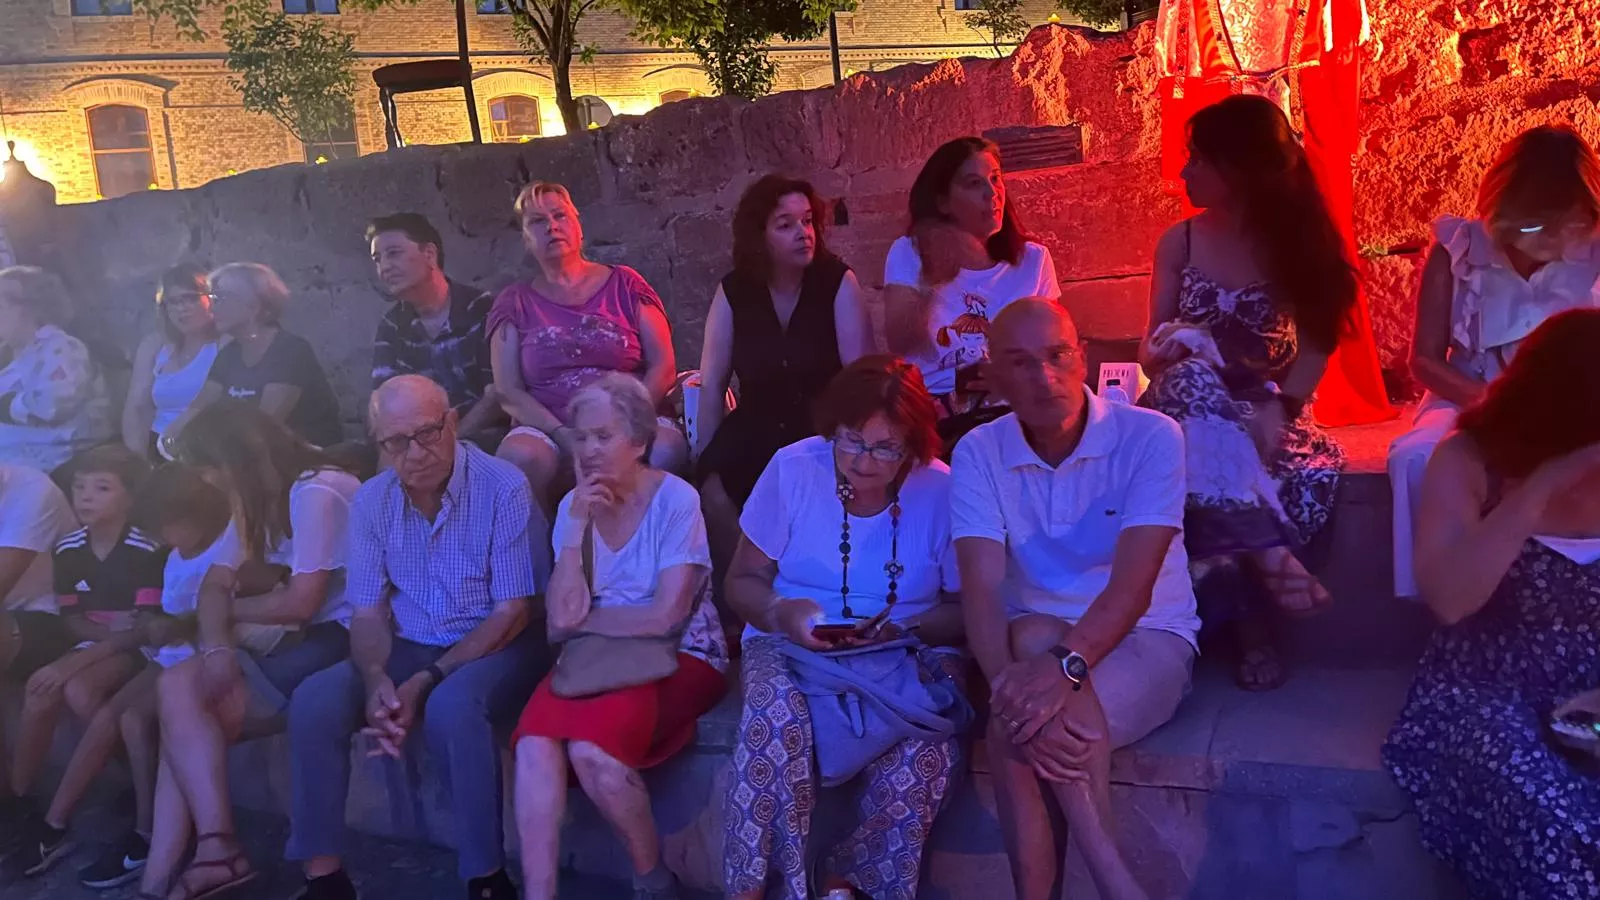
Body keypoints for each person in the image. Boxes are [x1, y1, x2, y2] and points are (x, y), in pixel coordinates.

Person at [953, 299, 1198, 900]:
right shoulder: (979, 452)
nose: (1044, 377)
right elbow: (981, 590)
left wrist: (1049, 679)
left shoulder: (1150, 437)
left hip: (1147, 637)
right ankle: (1116, 882)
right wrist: (1011, 686)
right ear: (996, 376)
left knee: (1023, 721)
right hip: (1029, 642)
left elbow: (1133, 589)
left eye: (1057, 356)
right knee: (1031, 658)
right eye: (1021, 363)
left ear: (1082, 356)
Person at [285, 375, 543, 900]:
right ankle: (324, 877)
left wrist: (425, 680)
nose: (415, 452)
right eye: (395, 442)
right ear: (379, 444)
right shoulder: (372, 500)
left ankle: (486, 878)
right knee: (315, 700)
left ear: (452, 423)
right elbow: (366, 610)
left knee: (452, 707)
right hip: (411, 640)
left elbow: (513, 611)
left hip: (497, 640)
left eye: (426, 433)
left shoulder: (504, 487)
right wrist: (377, 676)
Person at [722, 355, 968, 900]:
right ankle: (755, 888)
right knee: (773, 721)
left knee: (930, 749)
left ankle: (848, 884)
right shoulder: (792, 468)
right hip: (789, 638)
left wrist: (907, 630)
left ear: (914, 445)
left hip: (906, 646)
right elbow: (741, 580)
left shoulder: (942, 489)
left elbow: (962, 608)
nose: (863, 461)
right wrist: (776, 614)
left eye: (886, 447)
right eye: (851, 440)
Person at [1138, 94, 1356, 691]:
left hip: (1265, 406)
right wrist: (1163, 351)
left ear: (1238, 169)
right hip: (1184, 400)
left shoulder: (1301, 241)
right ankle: (1263, 581)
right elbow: (1148, 355)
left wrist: (1279, 411)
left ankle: (1247, 597)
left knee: (1220, 468)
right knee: (1188, 387)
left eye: (1197, 160)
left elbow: (1315, 348)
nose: (1184, 173)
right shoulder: (1177, 243)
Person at [1383, 308, 1600, 897]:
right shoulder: (1471, 460)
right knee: (1547, 812)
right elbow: (1450, 600)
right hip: (1488, 681)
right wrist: (1539, 489)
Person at [514, 372, 728, 900]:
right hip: (599, 657)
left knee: (593, 754)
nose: (588, 450)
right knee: (534, 745)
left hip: (683, 656)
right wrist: (577, 529)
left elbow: (666, 617)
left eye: (603, 437)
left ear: (638, 441)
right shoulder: (572, 507)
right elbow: (560, 618)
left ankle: (652, 878)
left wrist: (584, 622)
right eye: (580, 437)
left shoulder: (675, 501)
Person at [133, 401, 358, 900]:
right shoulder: (254, 499)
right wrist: (216, 650)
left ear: (236, 460)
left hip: (344, 635)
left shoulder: (315, 491)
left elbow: (302, 604)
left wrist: (234, 612)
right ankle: (203, 857)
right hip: (295, 636)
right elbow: (215, 587)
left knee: (184, 723)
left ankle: (203, 861)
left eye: (210, 471)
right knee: (179, 693)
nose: (208, 484)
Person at [1388, 126, 1600, 599]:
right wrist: (1497, 406)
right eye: (1532, 225)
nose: (1546, 239)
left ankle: (1565, 595)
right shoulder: (1457, 250)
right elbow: (1423, 360)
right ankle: (1434, 592)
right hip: (1468, 392)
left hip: (1572, 404)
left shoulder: (1594, 253)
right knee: (1415, 456)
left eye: (1565, 225)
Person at [694, 175, 869, 582]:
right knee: (714, 486)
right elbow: (712, 381)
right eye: (786, 224)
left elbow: (862, 378)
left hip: (822, 420)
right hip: (757, 419)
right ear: (760, 234)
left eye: (807, 221)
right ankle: (752, 588)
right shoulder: (734, 291)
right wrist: (704, 452)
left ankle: (810, 584)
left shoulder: (838, 283)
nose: (803, 234)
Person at [2, 446, 162, 884]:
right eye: (79, 487)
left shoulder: (146, 548)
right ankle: (26, 810)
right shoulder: (70, 549)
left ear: (130, 496)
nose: (85, 497)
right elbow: (73, 619)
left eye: (102, 488)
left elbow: (147, 629)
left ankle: (126, 788)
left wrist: (105, 638)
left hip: (139, 651)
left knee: (74, 688)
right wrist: (105, 633)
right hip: (99, 642)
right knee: (51, 688)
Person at [490, 181, 688, 506]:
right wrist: (564, 435)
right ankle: (546, 555)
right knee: (519, 461)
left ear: (577, 223)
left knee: (665, 449)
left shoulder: (626, 284)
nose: (552, 227)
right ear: (525, 239)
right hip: (552, 425)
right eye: (538, 222)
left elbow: (664, 365)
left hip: (630, 415)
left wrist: (624, 423)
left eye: (559, 215)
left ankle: (653, 550)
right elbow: (508, 390)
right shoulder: (514, 303)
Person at [881, 137, 1061, 445]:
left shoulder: (1033, 260)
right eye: (973, 184)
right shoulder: (910, 252)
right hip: (940, 414)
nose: (992, 194)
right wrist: (936, 269)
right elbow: (901, 342)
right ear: (943, 202)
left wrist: (1011, 372)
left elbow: (1055, 348)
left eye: (995, 179)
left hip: (1018, 407)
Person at [162, 262, 343, 454]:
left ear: (254, 305)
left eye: (220, 299)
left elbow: (264, 426)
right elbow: (197, 409)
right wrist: (170, 439)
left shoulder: (289, 351)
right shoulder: (229, 354)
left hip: (304, 464)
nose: (212, 309)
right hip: (253, 461)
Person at [368, 213, 503, 449]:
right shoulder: (391, 326)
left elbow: (496, 395)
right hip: (416, 444)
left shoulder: (482, 308)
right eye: (377, 259)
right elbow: (383, 401)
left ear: (429, 254)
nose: (384, 267)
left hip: (483, 435)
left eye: (394, 254)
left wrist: (449, 443)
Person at [0, 266, 113, 472]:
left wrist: (6, 406)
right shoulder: (12, 356)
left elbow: (53, 404)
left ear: (29, 308)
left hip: (48, 464)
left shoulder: (62, 347)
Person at [123, 263, 222, 462]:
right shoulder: (154, 345)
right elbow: (136, 408)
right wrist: (138, 463)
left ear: (211, 300)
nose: (182, 309)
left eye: (191, 298)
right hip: (157, 446)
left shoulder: (224, 344)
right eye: (174, 302)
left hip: (205, 450)